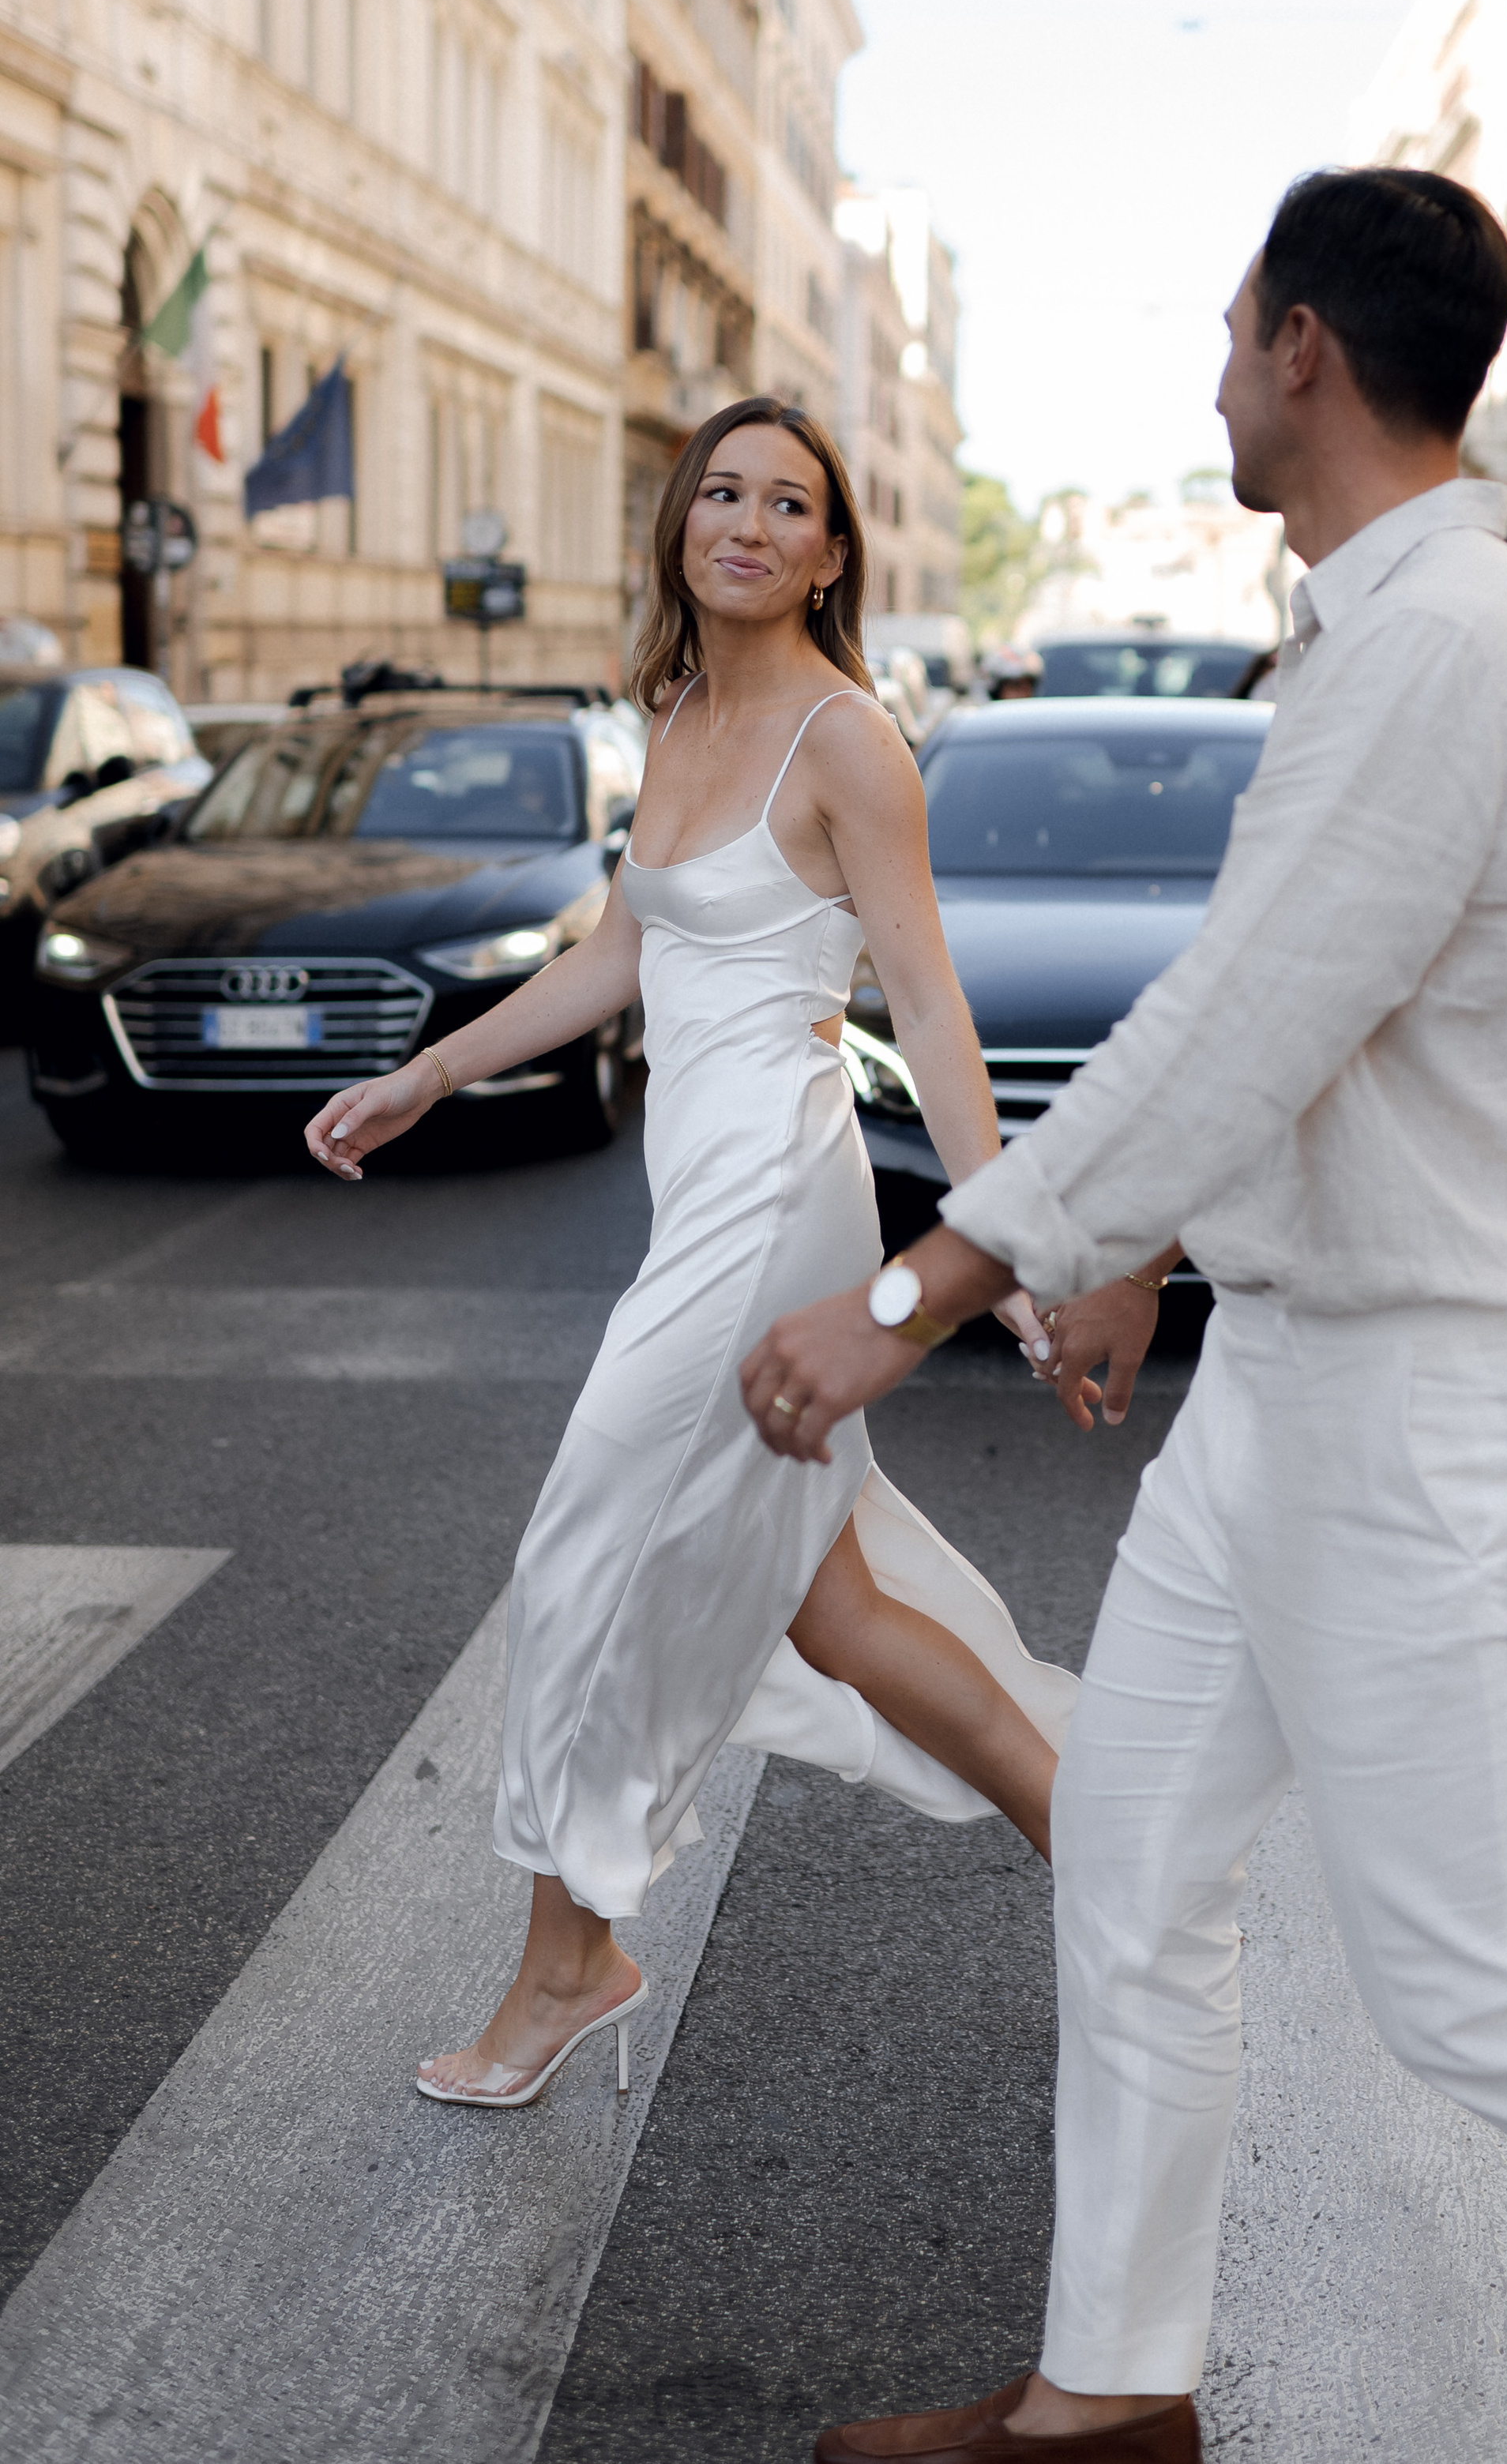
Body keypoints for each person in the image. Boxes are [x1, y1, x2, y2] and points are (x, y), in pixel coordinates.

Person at [741, 176, 1507, 2464]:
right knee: (1132, 1866)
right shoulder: (1376, 630)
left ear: (1308, 346)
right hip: (1301, 1403)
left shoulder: (1446, 639)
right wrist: (1145, 1244)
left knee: (1481, 1997)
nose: (1218, 375)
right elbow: (1319, 1032)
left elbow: (1255, 1006)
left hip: (1421, 1427)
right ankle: (1107, 2399)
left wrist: (941, 1274)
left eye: (1234, 334)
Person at [306, 396, 1076, 2109]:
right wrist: (428, 1070)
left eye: (784, 501)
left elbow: (930, 1005)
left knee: (584, 1553)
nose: (743, 520)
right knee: (833, 1602)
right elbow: (616, 956)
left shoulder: (845, 742)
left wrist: (1000, 1234)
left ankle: (565, 1966)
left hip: (771, 1200)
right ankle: (1106, 1859)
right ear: (679, 525)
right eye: (717, 491)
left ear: (828, 549)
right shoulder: (674, 710)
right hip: (698, 1192)